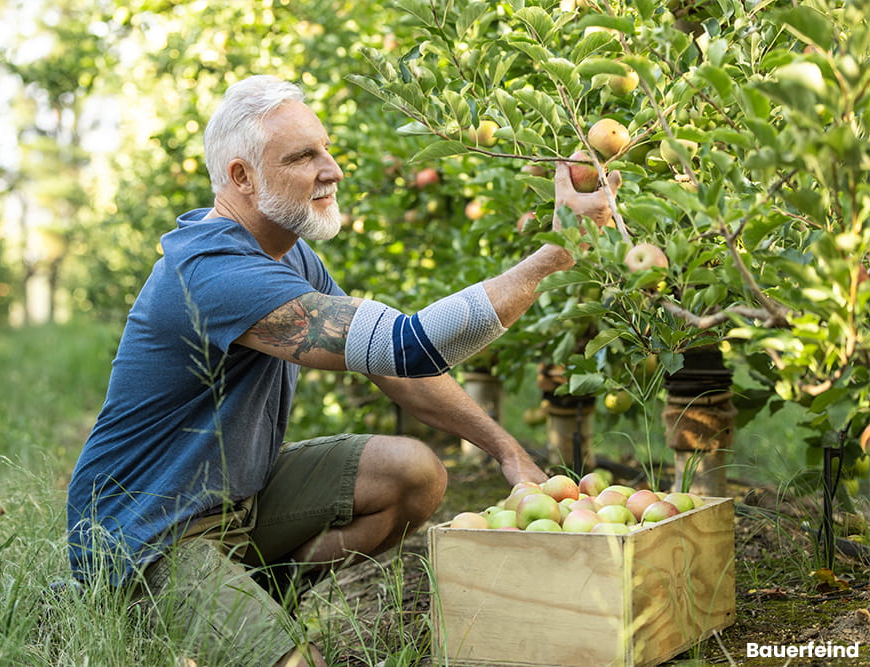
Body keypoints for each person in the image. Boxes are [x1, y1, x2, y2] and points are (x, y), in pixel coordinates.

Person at [65, 74, 621, 666]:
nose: (332, 169)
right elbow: (407, 346)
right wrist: (552, 258)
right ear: (241, 177)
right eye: (304, 156)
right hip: (146, 531)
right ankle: (155, 611)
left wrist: (505, 450)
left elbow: (391, 370)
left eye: (325, 148)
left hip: (236, 503)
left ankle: (263, 592)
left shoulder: (289, 252)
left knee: (412, 472)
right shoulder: (213, 273)